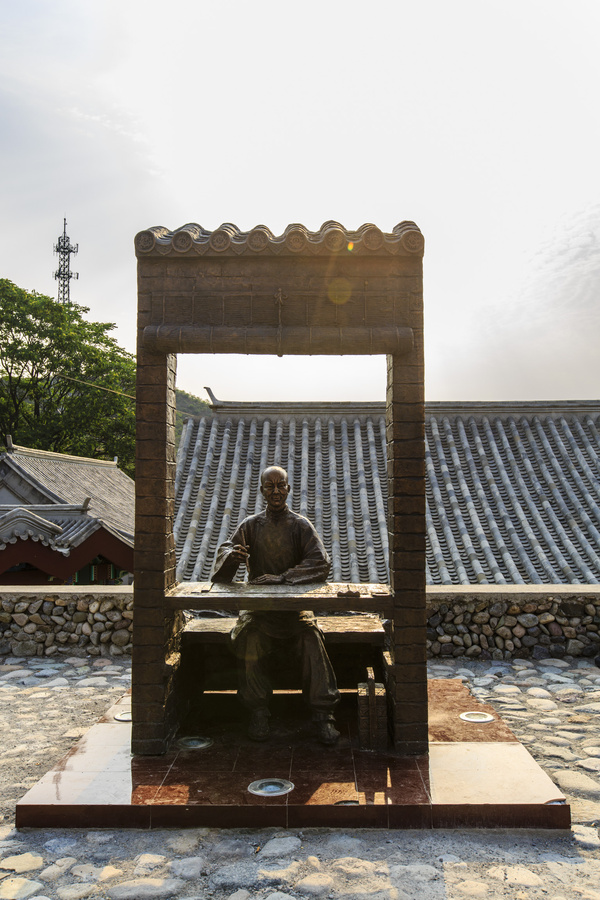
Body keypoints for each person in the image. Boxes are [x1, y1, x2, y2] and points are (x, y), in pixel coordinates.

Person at [211, 465, 340, 745]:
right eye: (269, 486)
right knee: (251, 639)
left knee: (311, 640)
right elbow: (221, 566)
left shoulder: (300, 526)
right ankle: (258, 710)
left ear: (289, 489)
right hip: (260, 612)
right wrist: (233, 556)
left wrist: (283, 578)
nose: (276, 491)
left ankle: (324, 714)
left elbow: (321, 563)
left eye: (281, 485)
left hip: (295, 613)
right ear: (262, 491)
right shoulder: (250, 526)